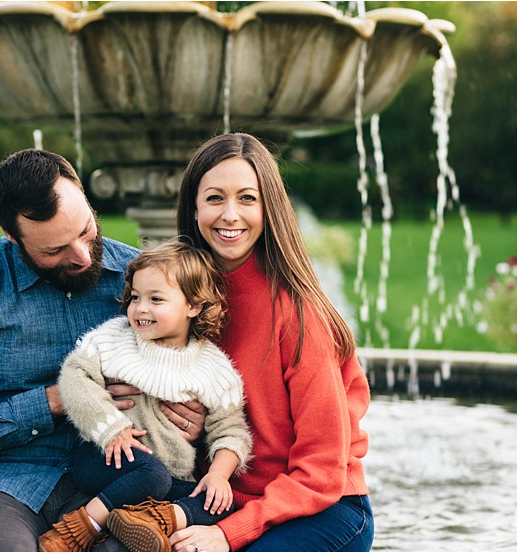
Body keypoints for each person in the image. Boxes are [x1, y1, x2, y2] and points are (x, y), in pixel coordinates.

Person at [0, 148, 207, 551]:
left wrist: (193, 419)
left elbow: (197, 372)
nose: (83, 256)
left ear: (85, 197)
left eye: (86, 230)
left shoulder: (146, 281)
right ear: (12, 236)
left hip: (120, 479)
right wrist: (60, 399)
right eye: (54, 251)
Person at [109, 132, 374, 552]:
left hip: (319, 509)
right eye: (215, 198)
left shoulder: (299, 313)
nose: (230, 214)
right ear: (193, 208)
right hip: (218, 498)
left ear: (269, 209)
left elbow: (322, 469)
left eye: (247, 199)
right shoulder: (173, 302)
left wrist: (228, 535)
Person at [39, 241, 253, 551]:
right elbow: (75, 378)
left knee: (219, 503)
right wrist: (111, 427)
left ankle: (151, 520)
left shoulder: (213, 369)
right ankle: (79, 527)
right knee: (151, 474)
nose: (140, 308)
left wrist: (219, 475)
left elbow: (231, 431)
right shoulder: (114, 339)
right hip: (106, 458)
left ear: (193, 306)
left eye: (156, 299)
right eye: (135, 297)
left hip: (165, 477)